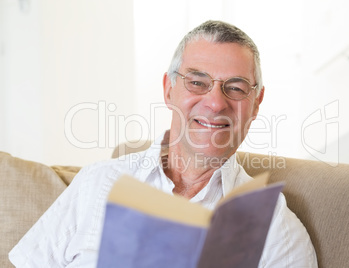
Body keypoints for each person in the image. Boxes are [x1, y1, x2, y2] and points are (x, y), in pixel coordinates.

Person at [9, 20, 317, 267]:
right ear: (169, 89)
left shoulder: (275, 230)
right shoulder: (96, 182)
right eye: (197, 82)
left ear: (256, 102)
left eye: (235, 88)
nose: (215, 103)